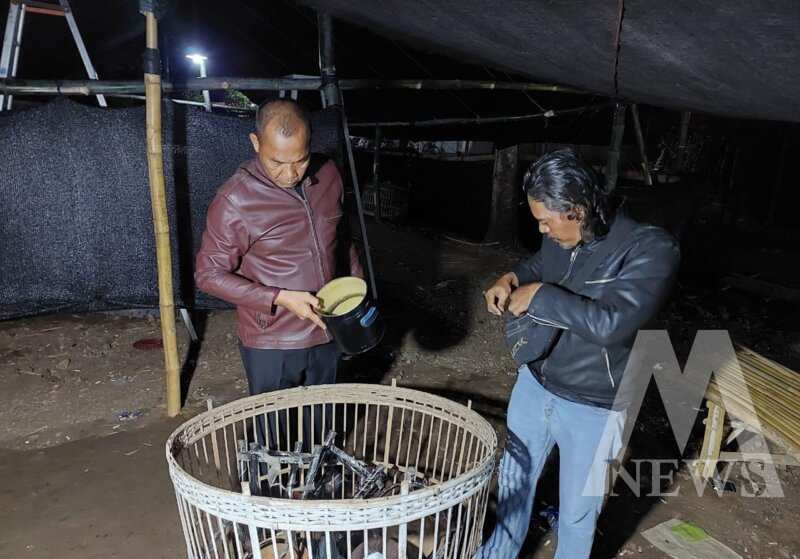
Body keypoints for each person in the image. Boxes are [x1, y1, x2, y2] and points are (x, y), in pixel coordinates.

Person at [478, 149, 680, 558]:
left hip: (594, 407)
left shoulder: (651, 249)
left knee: (575, 516)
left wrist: (541, 296)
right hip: (535, 386)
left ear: (578, 209)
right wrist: (511, 276)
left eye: (547, 221)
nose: (542, 228)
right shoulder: (560, 234)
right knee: (514, 489)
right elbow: (539, 262)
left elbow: (613, 325)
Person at [195, 99, 362, 403]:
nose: (290, 174)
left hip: (327, 328)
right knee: (274, 435)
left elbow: (342, 236)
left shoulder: (329, 176)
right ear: (255, 142)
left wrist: (356, 291)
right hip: (271, 340)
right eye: (276, 163)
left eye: (299, 160)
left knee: (322, 423)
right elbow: (208, 275)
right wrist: (279, 298)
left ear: (310, 143)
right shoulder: (235, 200)